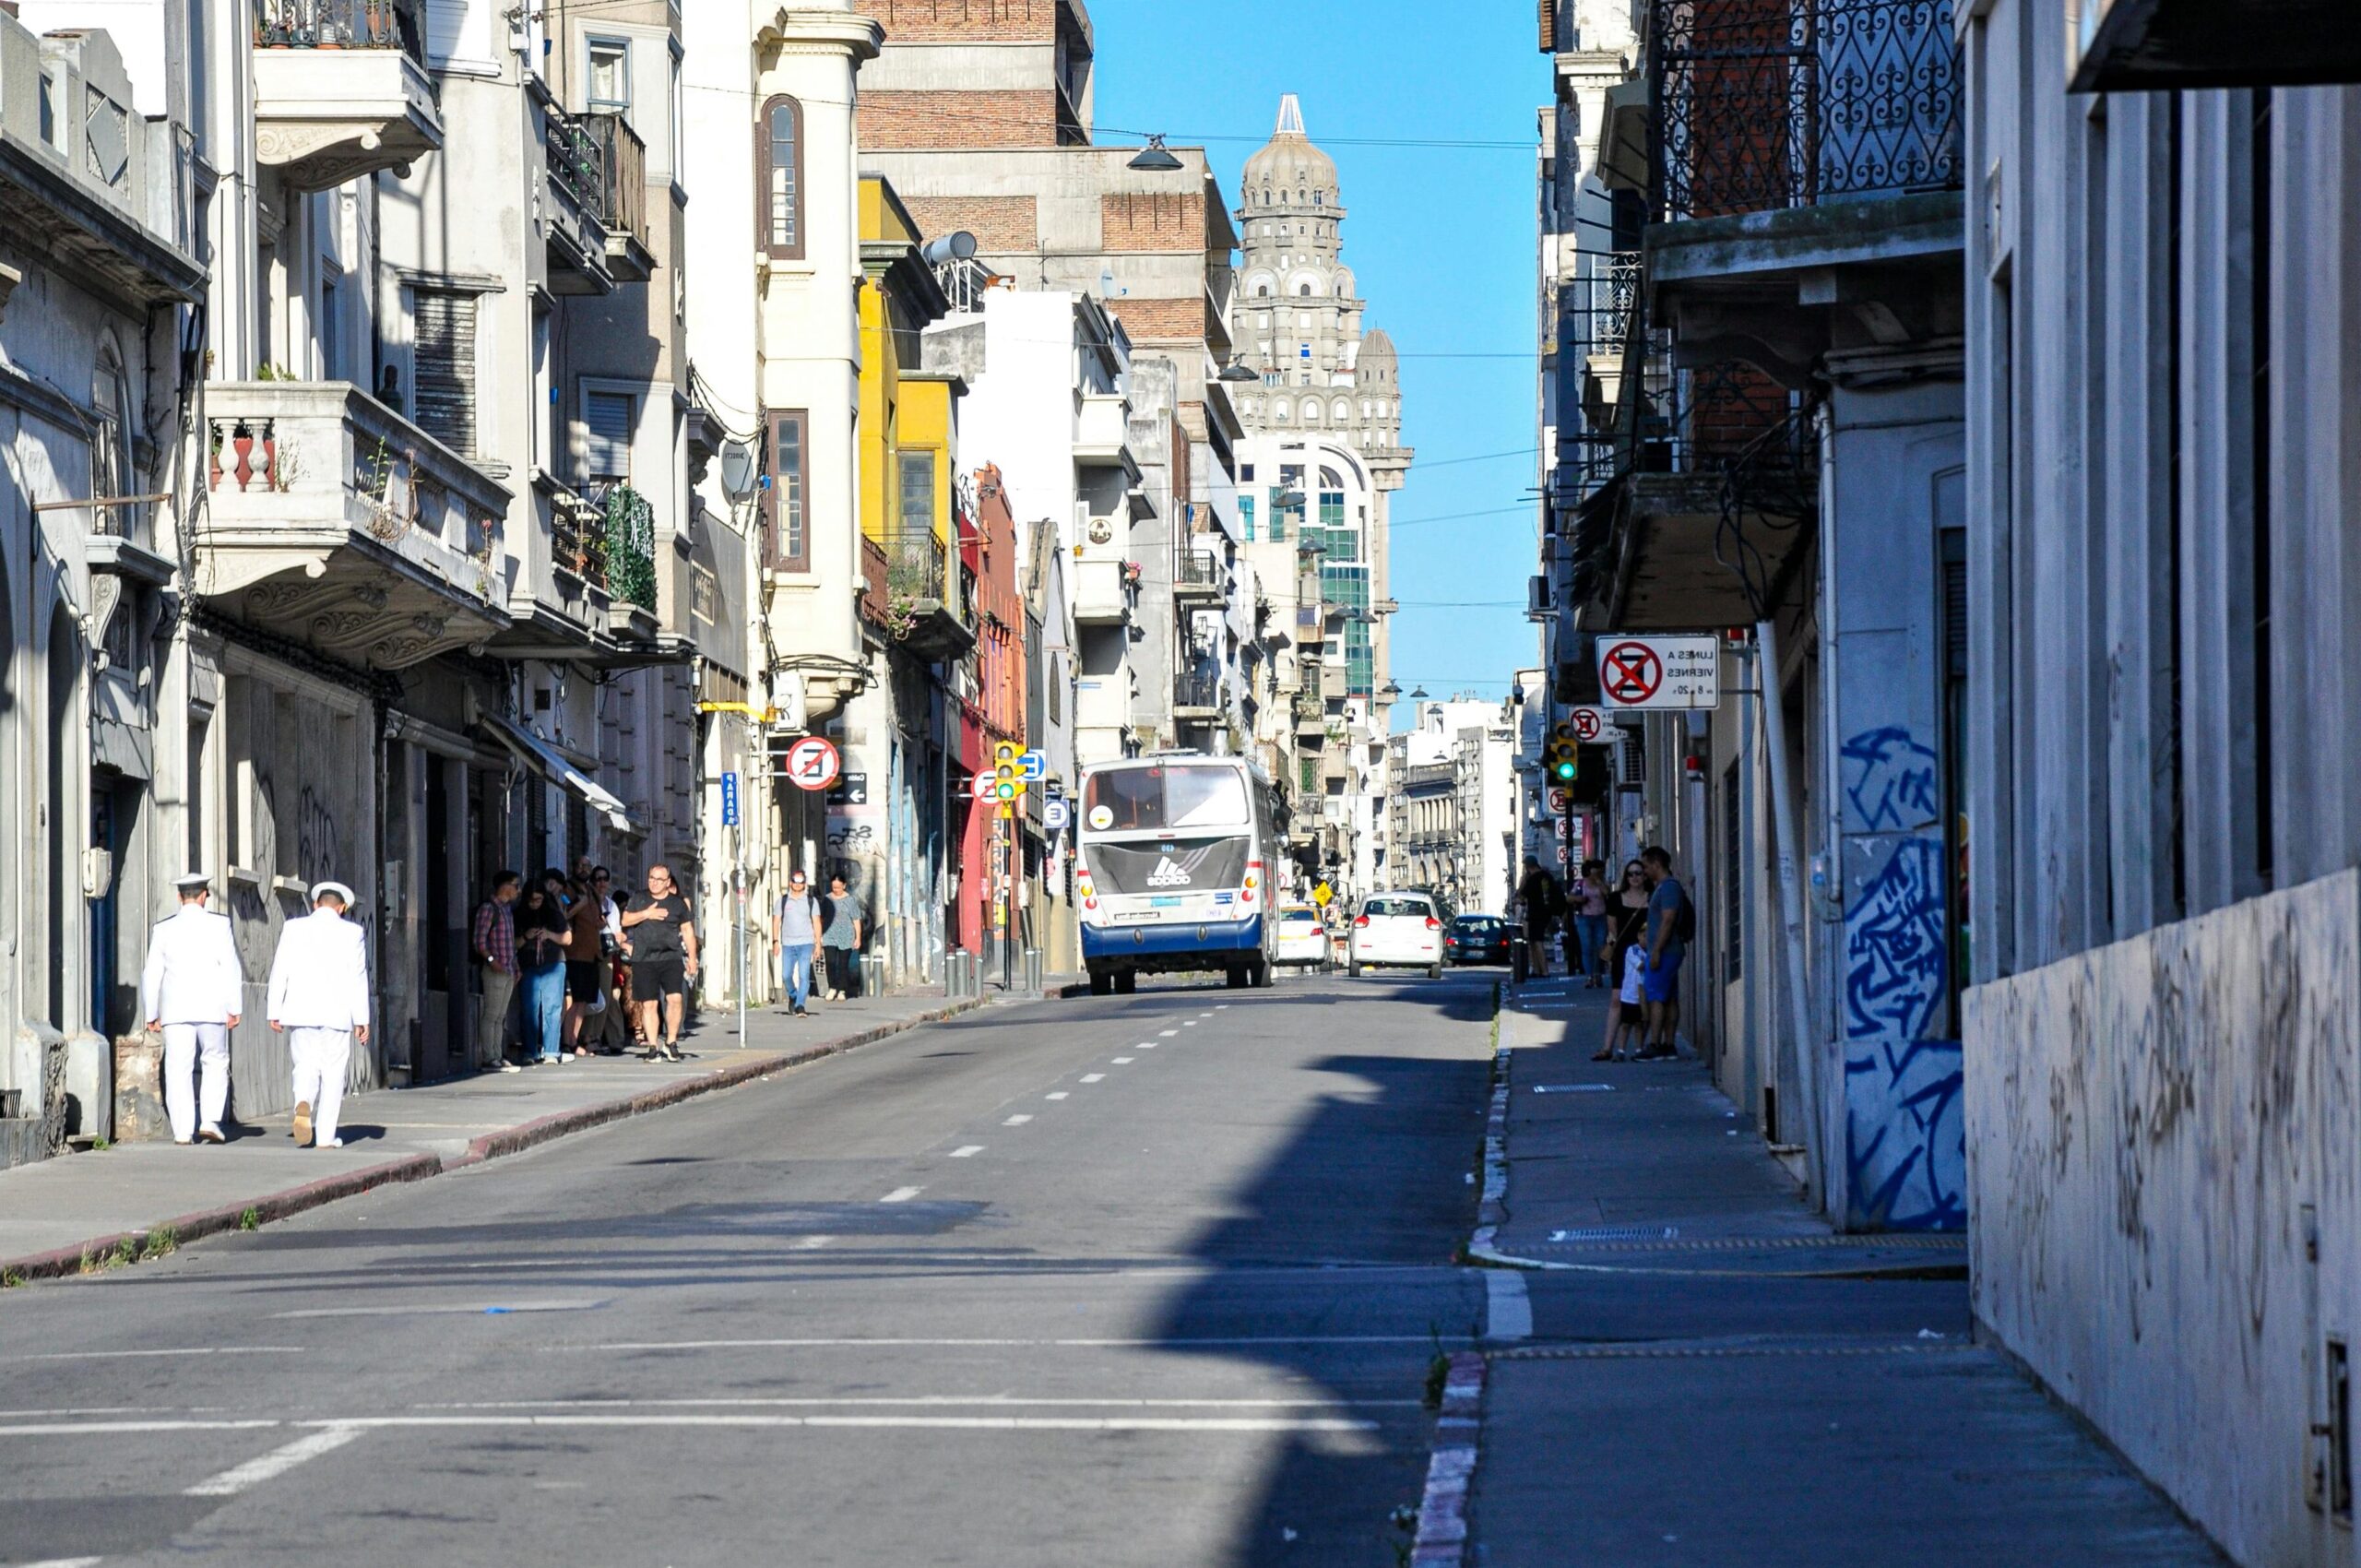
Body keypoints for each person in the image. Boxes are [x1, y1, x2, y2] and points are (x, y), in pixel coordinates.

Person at [265, 880, 372, 1148]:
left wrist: (274, 1010)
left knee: (305, 1063)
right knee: (333, 1073)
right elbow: (358, 977)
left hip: (300, 1011)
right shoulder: (353, 932)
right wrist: (362, 1019)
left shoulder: (293, 928)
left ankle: (303, 1098)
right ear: (342, 907)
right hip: (337, 1014)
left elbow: (280, 969)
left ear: (315, 904)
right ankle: (325, 1136)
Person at [139, 872, 243, 1145]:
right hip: (212, 1007)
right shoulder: (220, 924)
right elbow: (230, 966)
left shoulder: (163, 929)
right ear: (204, 896)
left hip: (176, 1011)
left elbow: (152, 973)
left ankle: (183, 1131)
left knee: (177, 1067)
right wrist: (235, 1006)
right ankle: (209, 1120)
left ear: (179, 897)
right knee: (215, 1060)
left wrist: (151, 1012)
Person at [623, 862, 697, 1060]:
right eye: (651, 878)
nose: (654, 883)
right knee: (649, 1003)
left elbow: (688, 931)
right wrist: (647, 913)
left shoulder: (677, 904)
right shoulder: (639, 898)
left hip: (671, 957)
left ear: (668, 882)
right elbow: (625, 920)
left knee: (675, 999)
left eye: (659, 879)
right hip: (644, 958)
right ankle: (653, 1046)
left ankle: (671, 1042)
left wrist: (692, 958)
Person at [1594, 860, 1653, 1062]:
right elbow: (1613, 929)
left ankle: (1640, 1047)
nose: (1634, 877)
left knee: (1644, 1001)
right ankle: (1608, 1047)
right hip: (1624, 955)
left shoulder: (1652, 898)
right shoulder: (1615, 899)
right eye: (1631, 874)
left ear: (1645, 876)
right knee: (1617, 998)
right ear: (1626, 877)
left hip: (1646, 954)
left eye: (1638, 873)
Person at [1637, 845, 1691, 1061]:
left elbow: (1668, 919)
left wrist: (1657, 951)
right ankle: (1668, 1045)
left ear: (1656, 864)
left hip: (1666, 951)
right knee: (1669, 997)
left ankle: (1655, 1044)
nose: (1644, 872)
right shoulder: (1663, 887)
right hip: (1668, 951)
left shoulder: (1668, 888)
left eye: (1646, 866)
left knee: (1656, 997)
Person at [515, 878, 572, 1066]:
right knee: (529, 1009)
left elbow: (568, 938)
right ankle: (529, 1051)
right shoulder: (518, 914)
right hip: (528, 965)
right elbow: (513, 944)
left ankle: (551, 1051)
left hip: (553, 963)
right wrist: (526, 936)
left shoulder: (553, 913)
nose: (534, 904)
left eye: (538, 899)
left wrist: (549, 935)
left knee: (552, 1008)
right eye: (531, 900)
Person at [470, 871, 522, 1074]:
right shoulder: (489, 908)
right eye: (515, 885)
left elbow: (510, 943)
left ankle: (498, 1056)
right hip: (495, 969)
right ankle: (489, 1057)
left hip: (508, 969)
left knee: (501, 1016)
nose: (518, 890)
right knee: (491, 1014)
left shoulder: (507, 910)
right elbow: (479, 941)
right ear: (504, 886)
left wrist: (516, 966)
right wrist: (492, 961)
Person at [561, 866, 607, 1058]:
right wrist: (580, 905)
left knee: (583, 1003)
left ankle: (574, 1041)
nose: (583, 869)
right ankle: (566, 1042)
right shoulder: (567, 890)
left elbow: (598, 919)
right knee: (573, 1002)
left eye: (587, 866)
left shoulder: (592, 891)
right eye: (580, 865)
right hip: (575, 954)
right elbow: (564, 912)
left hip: (592, 954)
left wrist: (601, 922)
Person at [771, 871, 823, 1016]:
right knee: (786, 975)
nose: (798, 884)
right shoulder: (782, 901)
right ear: (790, 883)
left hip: (806, 943)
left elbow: (816, 922)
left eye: (801, 882)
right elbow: (776, 921)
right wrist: (775, 941)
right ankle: (793, 995)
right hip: (788, 944)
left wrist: (818, 944)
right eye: (795, 881)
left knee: (804, 975)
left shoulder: (811, 901)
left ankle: (800, 1005)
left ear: (804, 884)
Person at [820, 873, 865, 1002]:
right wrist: (818, 935)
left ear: (844, 886)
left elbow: (856, 919)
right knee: (830, 962)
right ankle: (832, 987)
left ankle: (842, 989)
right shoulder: (827, 899)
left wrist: (858, 937)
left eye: (838, 887)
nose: (836, 890)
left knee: (843, 964)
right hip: (829, 935)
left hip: (846, 935)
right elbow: (821, 918)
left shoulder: (850, 900)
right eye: (834, 887)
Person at [1515, 856, 1563, 977]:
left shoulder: (1532, 879)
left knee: (1536, 941)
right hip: (1547, 912)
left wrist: (1523, 880)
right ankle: (1538, 970)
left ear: (1527, 867)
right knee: (1534, 940)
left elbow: (1521, 895)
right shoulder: (1547, 876)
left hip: (1535, 913)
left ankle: (1543, 970)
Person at [1572, 859, 1609, 989]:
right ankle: (1589, 976)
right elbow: (1570, 897)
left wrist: (1599, 881)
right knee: (1587, 946)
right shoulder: (1581, 883)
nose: (1597, 873)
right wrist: (1579, 898)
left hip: (1600, 917)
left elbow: (1607, 893)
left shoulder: (1602, 883)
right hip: (1584, 917)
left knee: (1600, 946)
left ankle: (1598, 973)